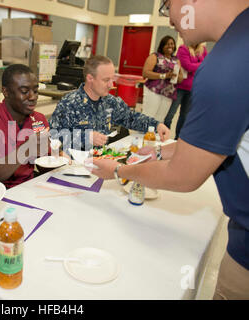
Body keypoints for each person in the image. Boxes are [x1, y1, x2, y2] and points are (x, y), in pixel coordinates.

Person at [90, 0, 249, 300]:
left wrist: (119, 171)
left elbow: (183, 176)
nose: (170, 21)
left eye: (167, 6)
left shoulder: (227, 64)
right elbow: (208, 143)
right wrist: (159, 152)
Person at [48, 55, 170, 151]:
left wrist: (157, 125)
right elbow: (52, 136)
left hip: (102, 160)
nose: (111, 85)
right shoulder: (69, 103)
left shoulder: (110, 102)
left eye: (112, 79)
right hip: (74, 166)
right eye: (106, 80)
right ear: (90, 78)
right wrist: (85, 137)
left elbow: (131, 118)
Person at [0, 64, 52, 189]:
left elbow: (43, 168)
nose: (33, 97)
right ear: (6, 92)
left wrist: (54, 155)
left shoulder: (38, 120)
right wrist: (27, 148)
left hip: (28, 187)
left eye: (35, 91)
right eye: (24, 91)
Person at [164, 43, 207, 138]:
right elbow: (188, 66)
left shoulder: (203, 49)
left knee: (184, 116)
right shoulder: (183, 48)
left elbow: (206, 66)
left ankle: (178, 139)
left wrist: (196, 65)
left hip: (193, 88)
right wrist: (201, 64)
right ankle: (165, 137)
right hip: (180, 87)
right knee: (170, 115)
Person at [142, 36, 183, 122]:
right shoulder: (155, 56)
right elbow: (145, 72)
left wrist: (176, 76)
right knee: (149, 115)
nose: (170, 46)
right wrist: (164, 76)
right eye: (167, 44)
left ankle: (154, 135)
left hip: (168, 92)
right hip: (153, 90)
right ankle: (142, 134)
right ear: (162, 46)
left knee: (160, 119)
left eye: (172, 44)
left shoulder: (176, 60)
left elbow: (181, 78)